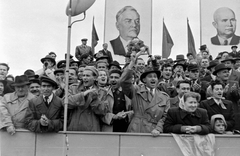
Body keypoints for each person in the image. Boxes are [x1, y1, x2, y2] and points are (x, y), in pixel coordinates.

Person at [120, 51, 170, 136]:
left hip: (153, 133)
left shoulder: (164, 97)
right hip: (136, 129)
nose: (153, 79)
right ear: (144, 80)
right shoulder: (136, 91)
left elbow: (165, 116)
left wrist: (158, 129)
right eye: (150, 77)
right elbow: (123, 81)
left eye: (155, 77)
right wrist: (132, 63)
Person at [66, 66, 107, 131]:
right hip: (75, 127)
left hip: (92, 129)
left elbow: (102, 112)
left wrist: (95, 99)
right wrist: (82, 95)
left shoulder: (102, 92)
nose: (84, 78)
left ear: (95, 78)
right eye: (83, 75)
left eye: (87, 76)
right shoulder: (73, 88)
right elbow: (66, 103)